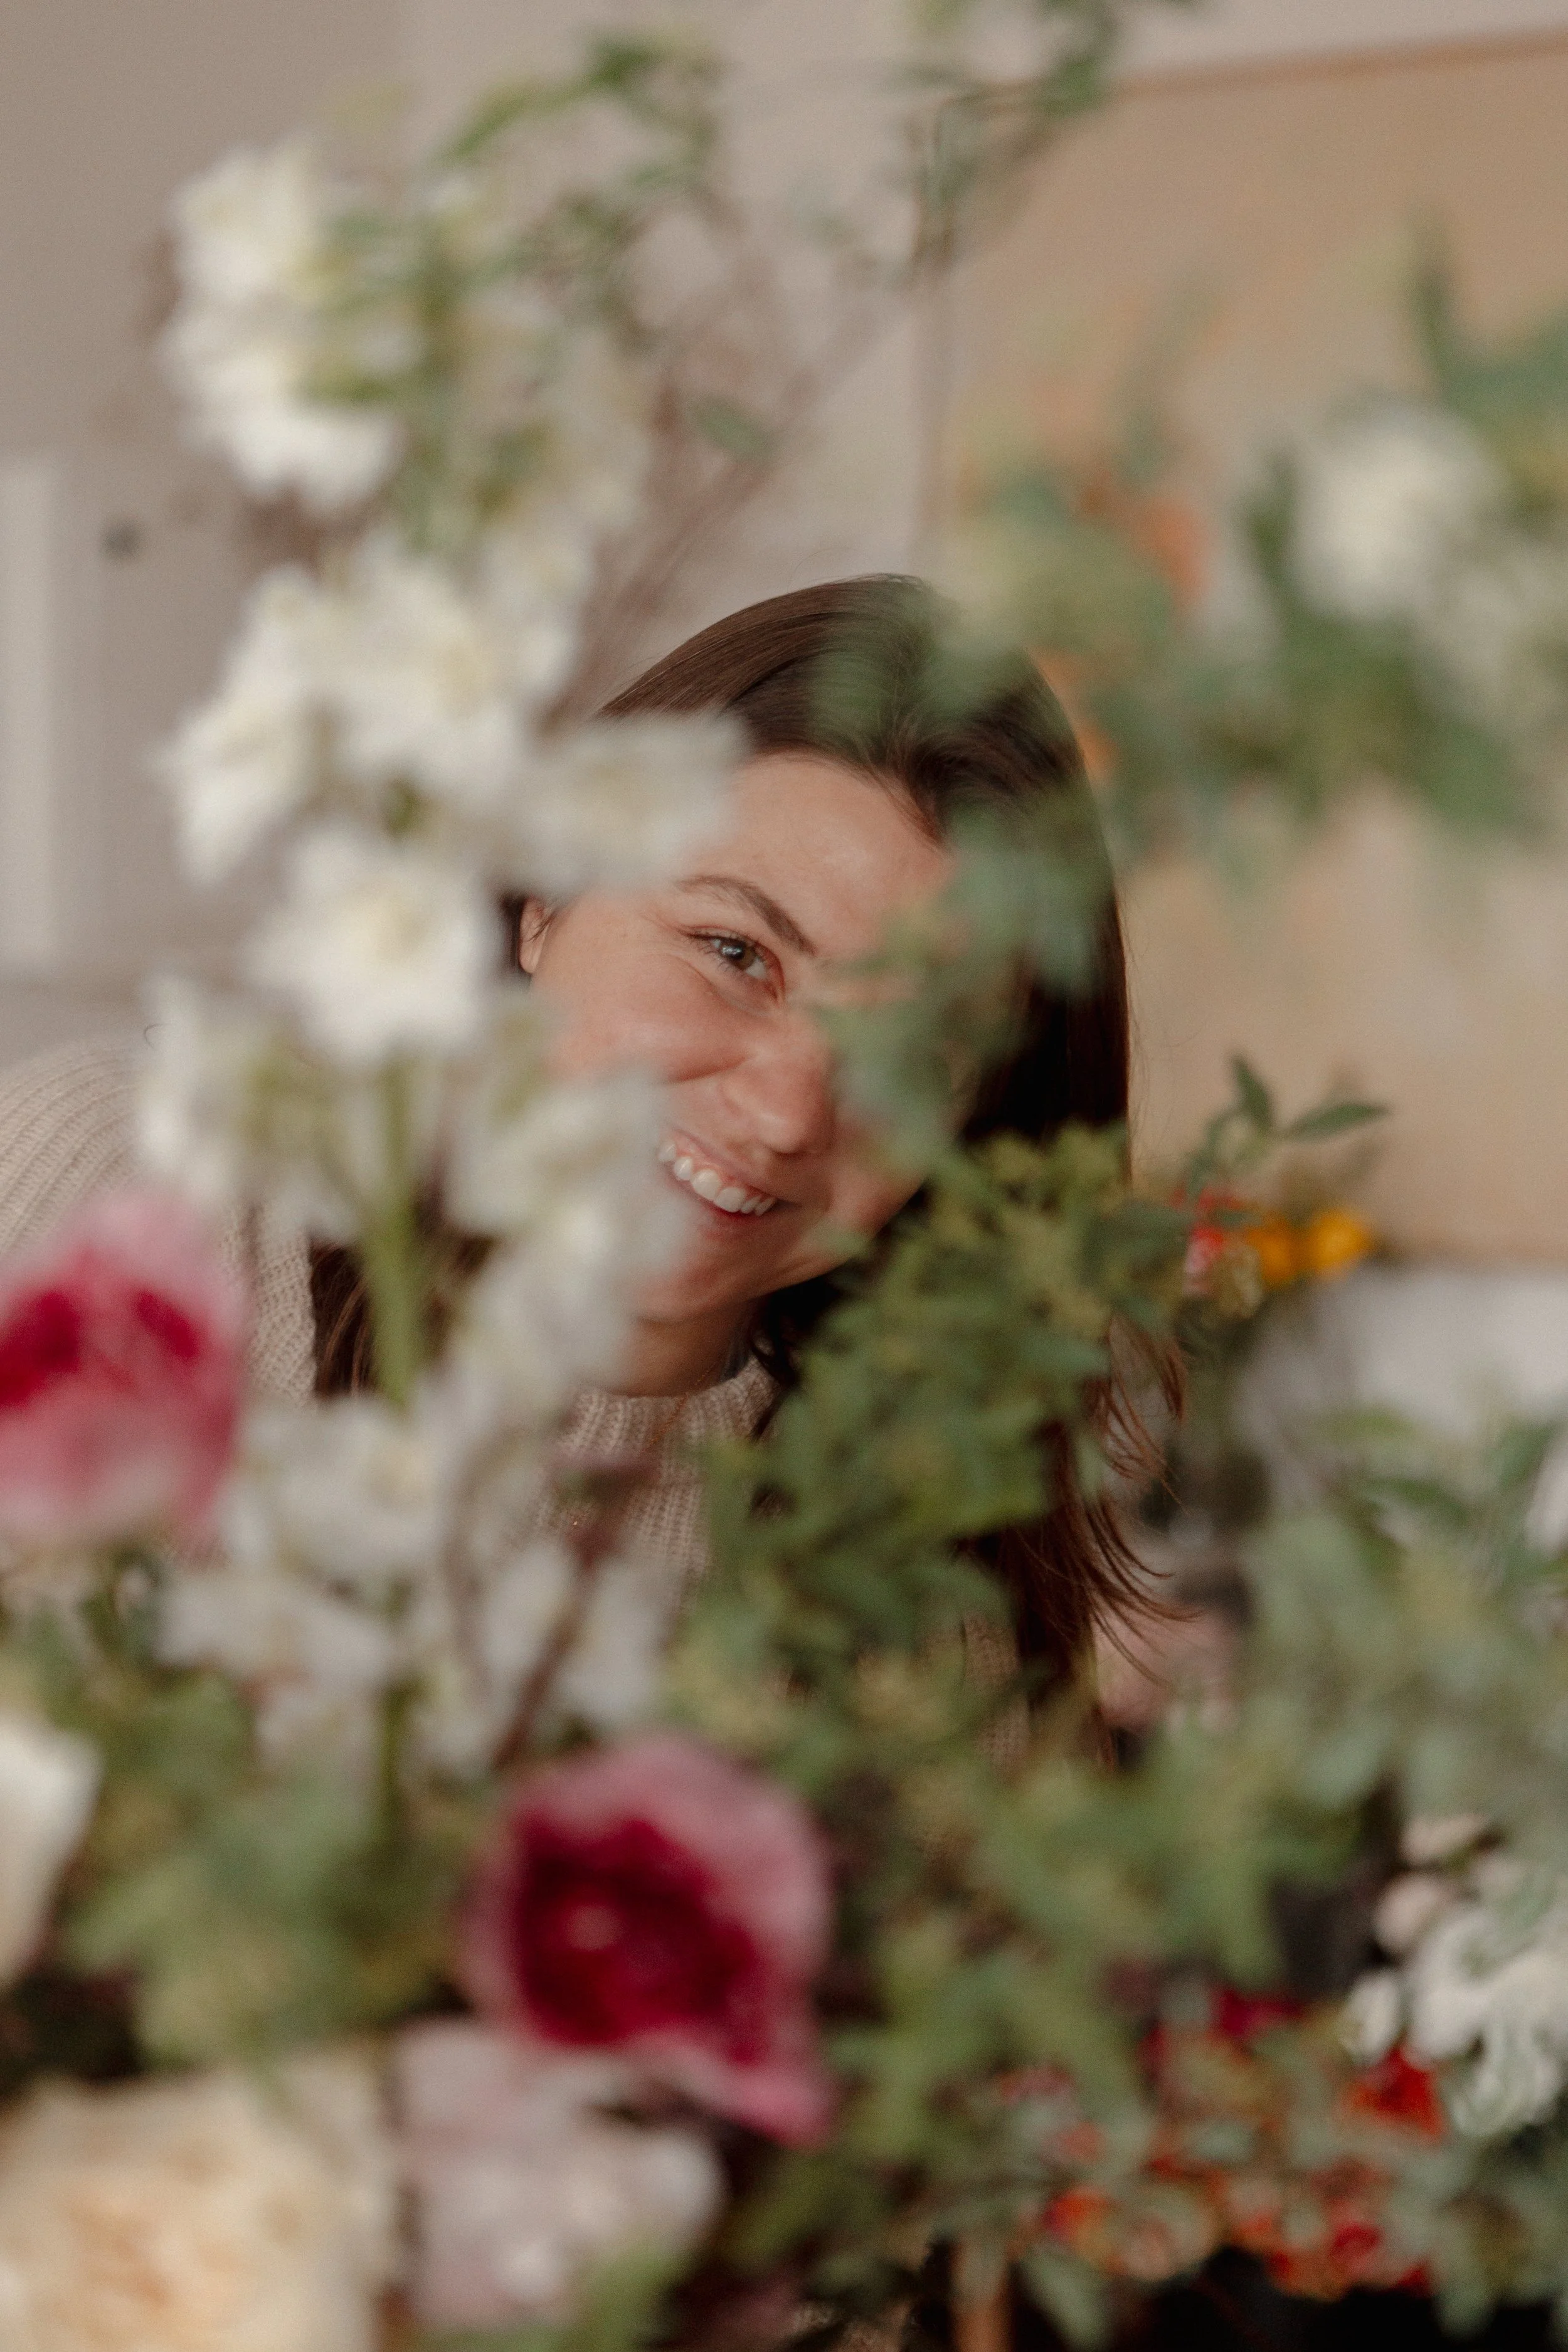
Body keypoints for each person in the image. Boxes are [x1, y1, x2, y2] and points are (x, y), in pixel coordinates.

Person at [0, 575, 1140, 1695]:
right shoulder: (125, 1176)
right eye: (734, 953)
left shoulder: (911, 1615)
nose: (790, 1109)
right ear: (549, 893)